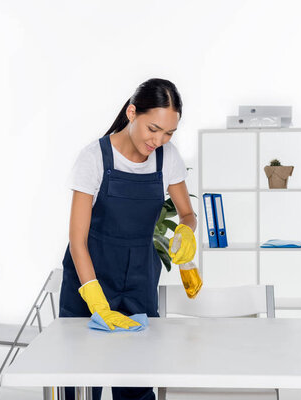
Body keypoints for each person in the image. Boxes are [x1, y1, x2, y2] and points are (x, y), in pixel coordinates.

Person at [59, 78, 197, 400]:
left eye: (168, 133)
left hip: (139, 280)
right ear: (132, 112)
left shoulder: (168, 158)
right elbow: (77, 240)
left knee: (136, 381)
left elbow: (187, 214)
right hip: (90, 277)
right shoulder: (94, 158)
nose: (159, 141)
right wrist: (95, 299)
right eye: (153, 129)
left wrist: (186, 231)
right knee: (81, 382)